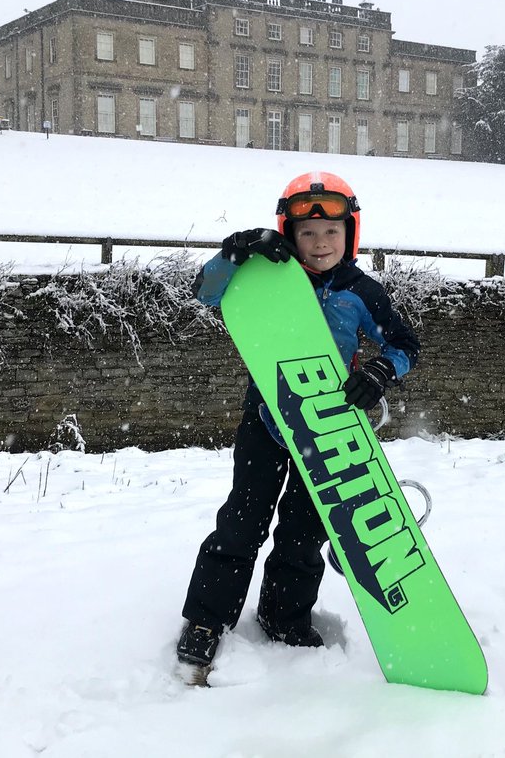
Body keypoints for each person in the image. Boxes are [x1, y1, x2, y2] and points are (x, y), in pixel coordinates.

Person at [176, 170, 420, 678]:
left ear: (350, 233)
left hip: (330, 428)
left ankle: (284, 617)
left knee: (305, 531)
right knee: (242, 523)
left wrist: (379, 371)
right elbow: (206, 292)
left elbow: (404, 346)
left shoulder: (363, 292)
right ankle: (205, 620)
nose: (319, 242)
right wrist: (233, 254)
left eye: (331, 232)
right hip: (264, 420)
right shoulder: (265, 279)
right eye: (307, 232)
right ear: (289, 233)